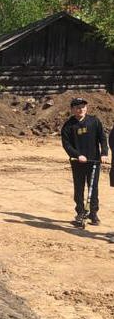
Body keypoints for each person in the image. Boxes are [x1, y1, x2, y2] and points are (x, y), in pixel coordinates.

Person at [61, 97, 108, 226]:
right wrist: (77, 155)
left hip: (94, 161)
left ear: (86, 108)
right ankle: (80, 212)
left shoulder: (94, 121)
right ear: (72, 109)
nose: (80, 109)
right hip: (78, 162)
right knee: (79, 187)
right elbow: (66, 145)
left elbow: (103, 139)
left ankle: (93, 213)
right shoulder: (68, 125)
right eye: (77, 107)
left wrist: (104, 153)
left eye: (82, 107)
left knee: (93, 188)